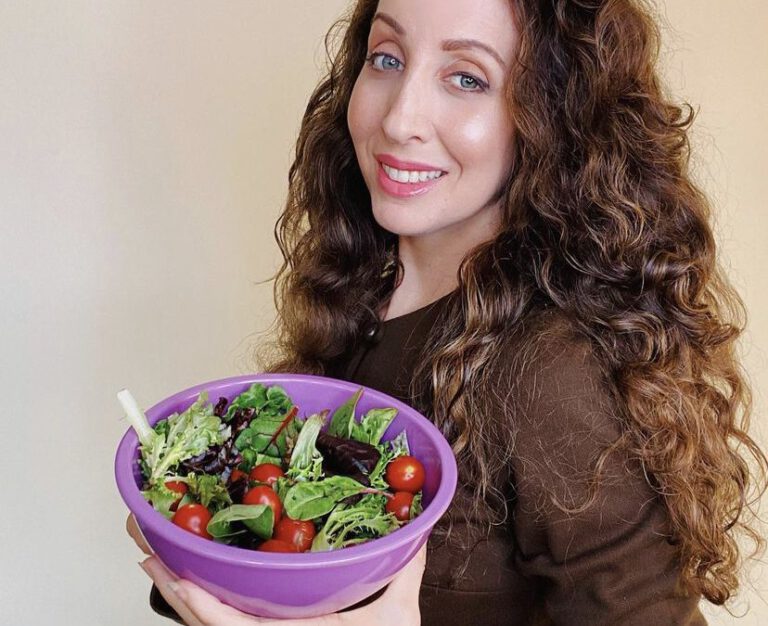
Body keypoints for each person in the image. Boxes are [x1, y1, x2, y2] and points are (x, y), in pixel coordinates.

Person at [128, 0, 767, 624]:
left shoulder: (552, 371)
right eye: (386, 58)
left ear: (555, 117)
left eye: (467, 78)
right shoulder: (360, 282)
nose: (399, 118)